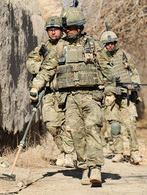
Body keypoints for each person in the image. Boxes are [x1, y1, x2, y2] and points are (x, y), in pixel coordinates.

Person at [29, 7, 115, 185]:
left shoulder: (93, 45)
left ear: (80, 27)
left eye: (71, 28)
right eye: (66, 28)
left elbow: (107, 70)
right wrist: (36, 86)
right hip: (69, 98)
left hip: (91, 95)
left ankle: (96, 168)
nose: (67, 31)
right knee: (77, 134)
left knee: (92, 129)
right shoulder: (60, 47)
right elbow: (46, 71)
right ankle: (84, 168)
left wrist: (110, 91)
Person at [26, 16, 74, 168]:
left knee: (68, 125)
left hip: (67, 91)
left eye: (56, 30)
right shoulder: (42, 48)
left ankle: (68, 154)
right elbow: (30, 63)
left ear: (62, 30)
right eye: (51, 30)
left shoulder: (69, 45)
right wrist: (43, 67)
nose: (53, 33)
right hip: (49, 92)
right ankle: (64, 150)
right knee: (52, 124)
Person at [99, 29, 142, 164]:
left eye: (112, 43)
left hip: (126, 96)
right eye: (107, 44)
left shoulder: (124, 55)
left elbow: (133, 72)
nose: (110, 46)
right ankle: (118, 152)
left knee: (131, 125)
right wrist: (106, 92)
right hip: (111, 98)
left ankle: (135, 152)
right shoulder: (100, 58)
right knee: (115, 126)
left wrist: (135, 84)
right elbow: (99, 78)